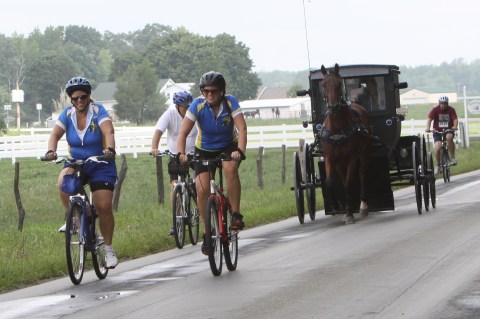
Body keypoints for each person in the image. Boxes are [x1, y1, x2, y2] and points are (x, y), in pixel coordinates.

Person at [44, 77, 119, 269]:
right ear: (70, 99)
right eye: (75, 98)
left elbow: (108, 132)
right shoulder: (67, 114)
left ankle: (109, 250)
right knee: (63, 182)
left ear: (89, 96)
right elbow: (55, 134)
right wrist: (51, 151)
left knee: (103, 207)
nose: (79, 101)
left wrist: (109, 150)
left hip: (101, 162)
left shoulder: (98, 111)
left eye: (83, 97)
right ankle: (76, 219)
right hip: (77, 162)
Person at [177, 71, 247, 255]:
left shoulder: (230, 102)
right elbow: (183, 133)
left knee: (230, 168)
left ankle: (236, 214)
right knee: (201, 189)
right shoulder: (198, 105)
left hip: (228, 146)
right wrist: (181, 154)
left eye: (213, 91)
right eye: (205, 91)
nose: (209, 94)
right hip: (204, 149)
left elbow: (242, 128)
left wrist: (239, 150)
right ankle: (207, 231)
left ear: (222, 92)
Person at [151, 91, 198, 236]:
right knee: (174, 186)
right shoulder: (169, 115)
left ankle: (201, 208)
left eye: (188, 105)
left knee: (199, 182)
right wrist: (154, 147)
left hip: (193, 152)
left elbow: (202, 131)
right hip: (175, 154)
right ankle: (176, 220)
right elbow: (158, 131)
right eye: (184, 106)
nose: (186, 108)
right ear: (177, 106)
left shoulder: (195, 115)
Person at [425, 95, 458, 174]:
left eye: (445, 103)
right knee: (438, 147)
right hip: (437, 132)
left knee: (449, 137)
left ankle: (452, 156)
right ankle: (438, 165)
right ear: (439, 103)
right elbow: (429, 118)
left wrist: (455, 126)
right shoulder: (435, 110)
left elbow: (455, 119)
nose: (443, 105)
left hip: (449, 130)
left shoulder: (451, 110)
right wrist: (428, 127)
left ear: (447, 103)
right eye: (442, 103)